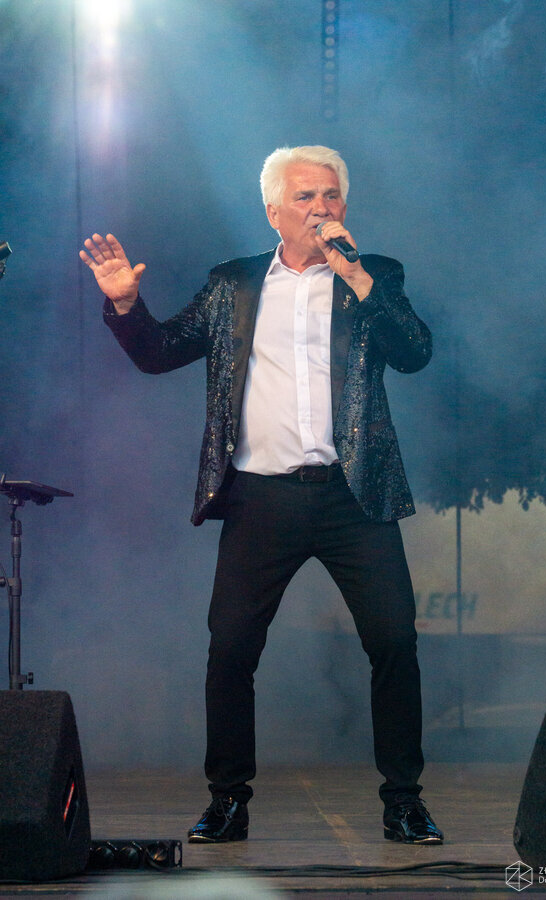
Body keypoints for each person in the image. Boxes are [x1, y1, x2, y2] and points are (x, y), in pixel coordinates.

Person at [80, 145, 443, 846]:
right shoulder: (233, 285)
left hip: (353, 496)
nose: (321, 208)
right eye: (305, 197)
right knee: (231, 649)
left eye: (331, 195)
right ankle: (227, 800)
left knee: (396, 642)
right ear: (274, 211)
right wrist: (125, 303)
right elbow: (159, 352)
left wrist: (357, 276)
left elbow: (415, 352)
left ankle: (404, 801)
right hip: (260, 499)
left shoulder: (375, 277)